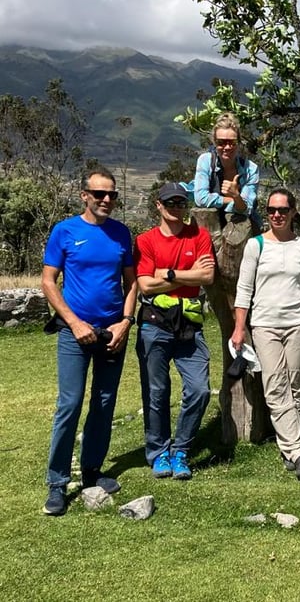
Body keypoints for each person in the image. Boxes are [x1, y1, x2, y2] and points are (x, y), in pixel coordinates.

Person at [41, 166, 137, 516]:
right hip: (74, 333)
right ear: (84, 195)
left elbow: (132, 283)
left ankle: (92, 470)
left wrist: (126, 322)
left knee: (104, 401)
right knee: (70, 403)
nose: (107, 200)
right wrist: (74, 322)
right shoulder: (65, 231)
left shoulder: (122, 234)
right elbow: (49, 281)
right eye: (99, 194)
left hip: (113, 332)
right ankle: (57, 482)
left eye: (112, 194)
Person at [232, 189, 300, 480]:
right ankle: (296, 448)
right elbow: (244, 289)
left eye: (283, 210)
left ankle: (288, 447)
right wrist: (239, 326)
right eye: (271, 210)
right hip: (265, 325)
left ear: (293, 212)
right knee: (274, 384)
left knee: (296, 384)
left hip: (298, 324)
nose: (277, 215)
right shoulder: (256, 245)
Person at [134, 182, 215, 480]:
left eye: (181, 203)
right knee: (156, 392)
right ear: (158, 205)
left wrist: (166, 274)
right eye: (171, 203)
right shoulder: (145, 241)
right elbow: (144, 284)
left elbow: (206, 275)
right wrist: (186, 276)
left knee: (199, 389)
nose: (176, 208)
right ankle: (158, 453)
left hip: (190, 325)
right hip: (155, 324)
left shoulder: (200, 235)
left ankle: (180, 449)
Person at [192, 112, 259, 220]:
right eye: (221, 142)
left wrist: (236, 195)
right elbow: (201, 198)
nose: (227, 147)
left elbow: (247, 208)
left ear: (239, 142)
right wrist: (233, 200)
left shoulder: (250, 169)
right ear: (214, 143)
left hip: (243, 228)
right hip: (211, 224)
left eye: (232, 142)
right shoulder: (206, 161)